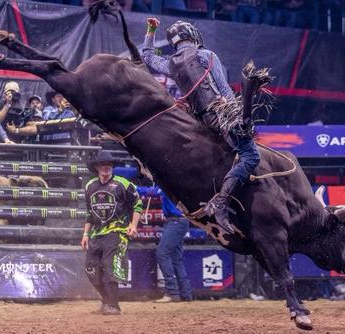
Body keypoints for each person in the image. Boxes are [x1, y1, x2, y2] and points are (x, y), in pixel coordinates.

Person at [141, 17, 270, 233]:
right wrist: (236, 115)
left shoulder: (171, 63)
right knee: (251, 156)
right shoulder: (206, 55)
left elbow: (147, 56)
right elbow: (224, 89)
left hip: (199, 122)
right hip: (221, 115)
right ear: (192, 35)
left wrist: (150, 30)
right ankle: (220, 203)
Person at [81, 150, 143, 315]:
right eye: (102, 165)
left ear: (112, 167)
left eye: (108, 165)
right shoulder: (90, 186)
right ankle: (106, 301)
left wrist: (133, 225)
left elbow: (138, 204)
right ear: (97, 167)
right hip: (97, 233)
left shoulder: (123, 184)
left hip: (117, 231)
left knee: (110, 267)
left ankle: (113, 305)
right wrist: (85, 234)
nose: (105, 167)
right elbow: (90, 213)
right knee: (91, 269)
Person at [154, 190, 193, 303]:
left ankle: (172, 292)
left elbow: (154, 191)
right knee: (176, 258)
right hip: (178, 220)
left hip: (176, 220)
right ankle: (185, 294)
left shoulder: (166, 184)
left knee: (162, 253)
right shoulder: (173, 183)